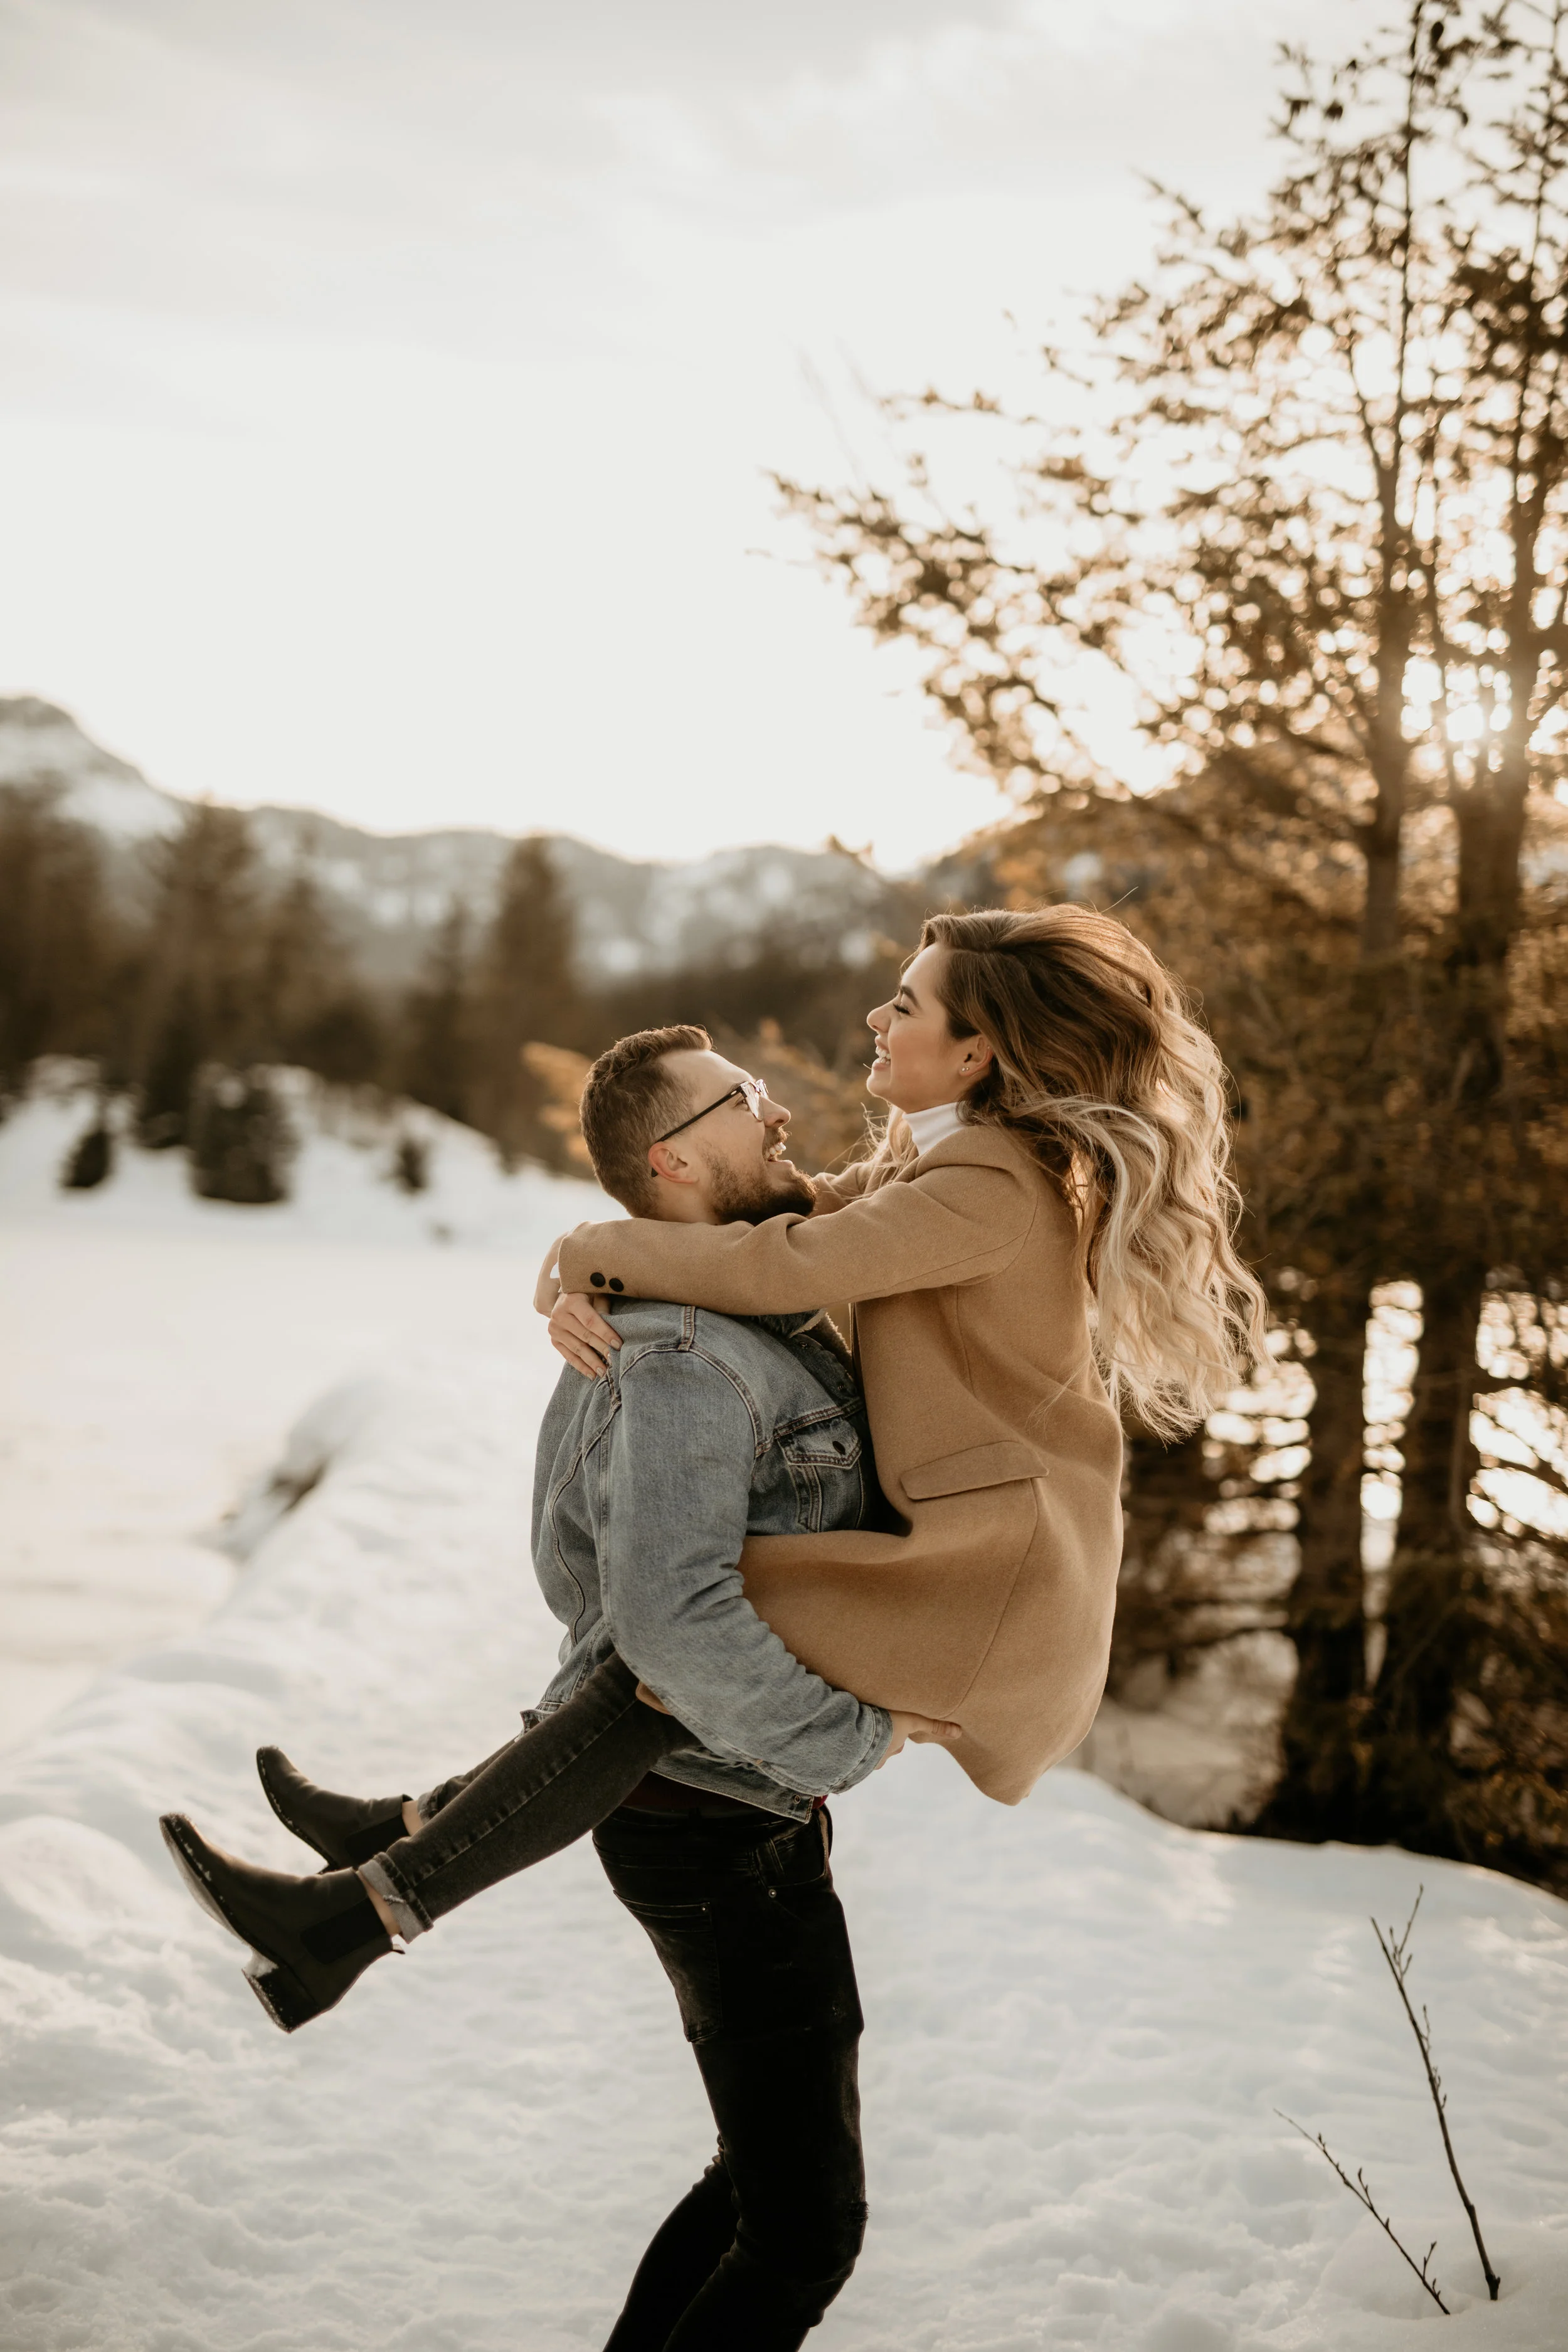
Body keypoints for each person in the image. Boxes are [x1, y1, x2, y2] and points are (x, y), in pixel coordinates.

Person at [160, 1025, 960, 2347]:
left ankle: (397, 1839)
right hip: (718, 1830)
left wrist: (580, 1261)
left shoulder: (704, 1290)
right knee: (805, 2233)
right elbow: (655, 1618)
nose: (773, 1112)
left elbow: (581, 1568)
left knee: (758, 2190)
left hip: (705, 1810)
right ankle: (375, 1889)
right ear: (673, 1158)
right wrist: (848, 1735)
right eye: (739, 1101)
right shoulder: (687, 1353)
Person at [544, 904, 1267, 1808]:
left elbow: (786, 1260)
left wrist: (588, 1258)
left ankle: (415, 1859)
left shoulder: (989, 1180)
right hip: (975, 1553)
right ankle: (421, 1843)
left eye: (903, 1005)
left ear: (973, 1055)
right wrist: (582, 1267)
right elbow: (799, 1213)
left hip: (995, 1574)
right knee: (663, 1628)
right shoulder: (938, 1167)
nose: (875, 1022)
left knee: (674, 1617)